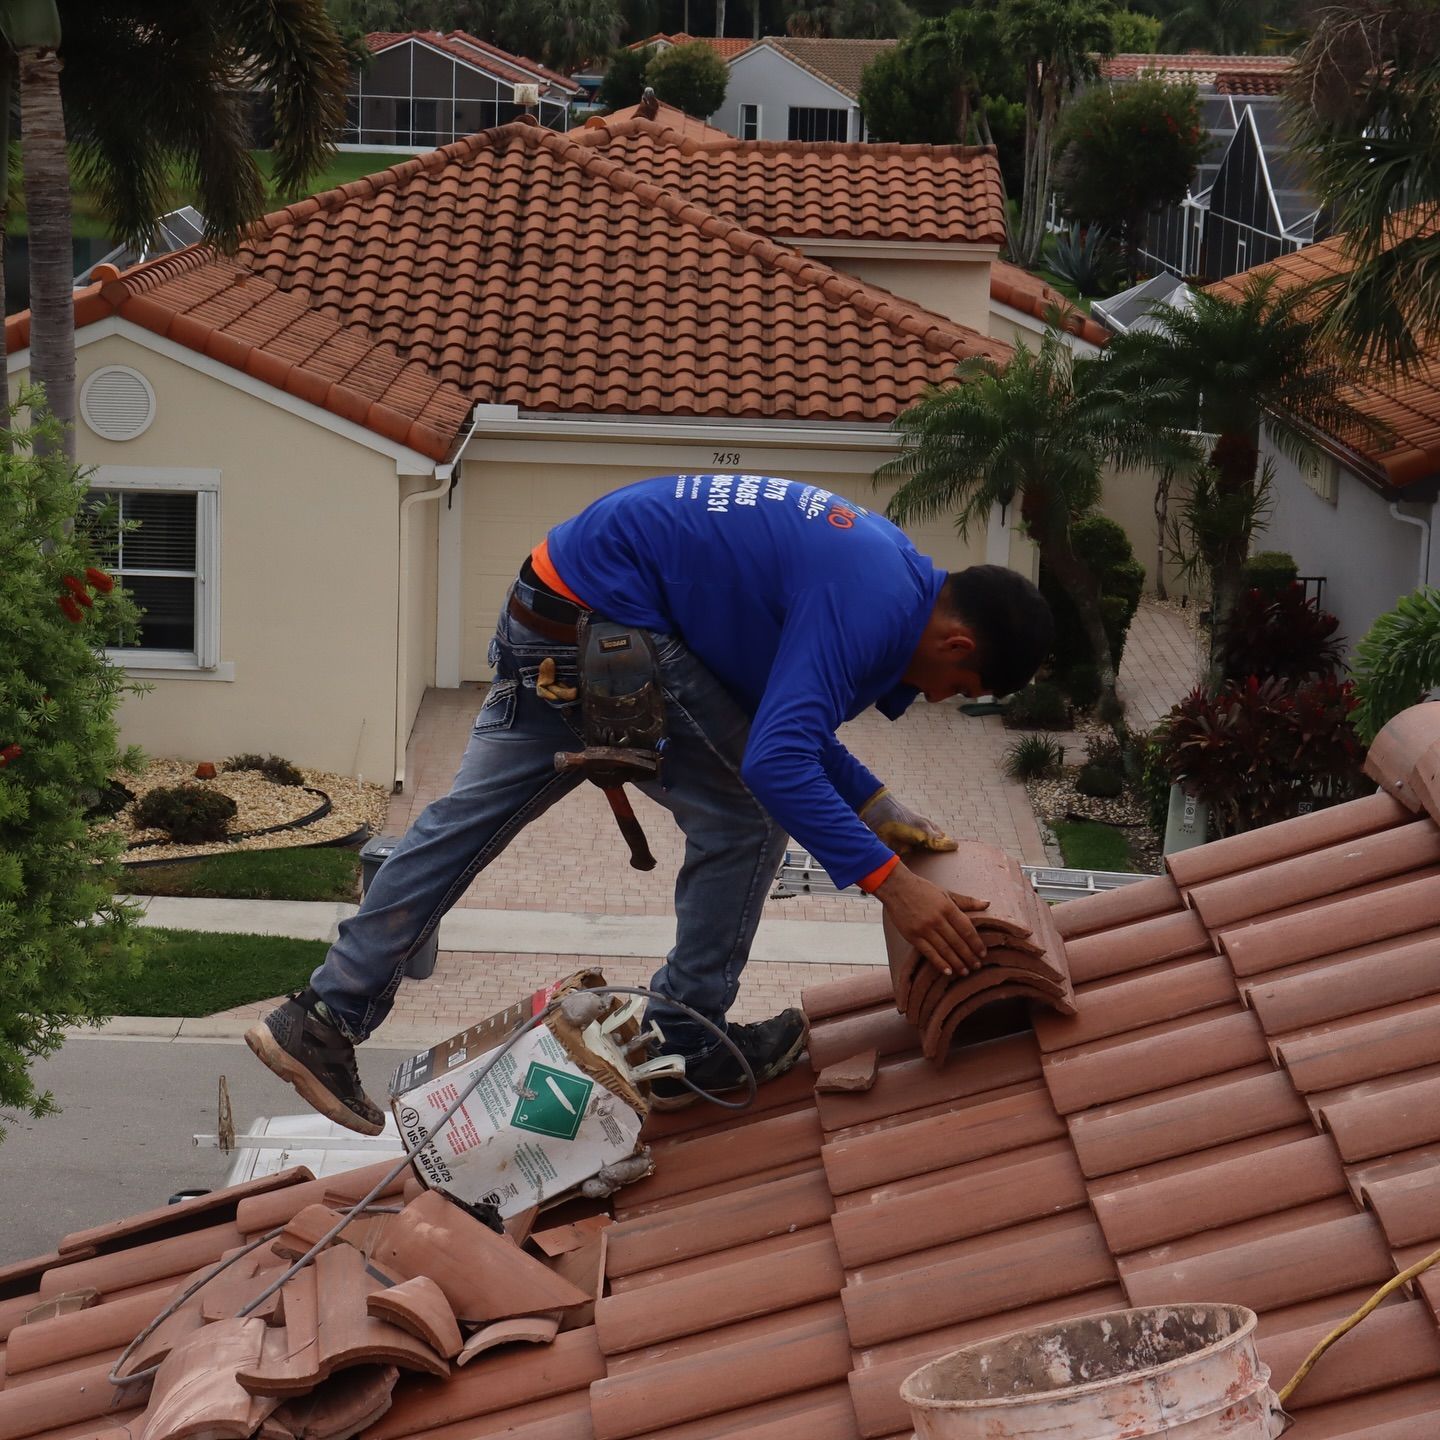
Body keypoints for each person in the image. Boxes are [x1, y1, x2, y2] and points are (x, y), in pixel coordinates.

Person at [247, 474, 1053, 1134]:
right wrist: (894, 886)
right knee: (747, 812)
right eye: (957, 689)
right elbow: (772, 759)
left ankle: (322, 1016)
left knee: (462, 822)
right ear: (959, 644)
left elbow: (761, 717)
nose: (932, 697)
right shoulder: (872, 605)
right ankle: (687, 1037)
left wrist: (873, 803)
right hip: (606, 622)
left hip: (555, 606)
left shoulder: (887, 573)